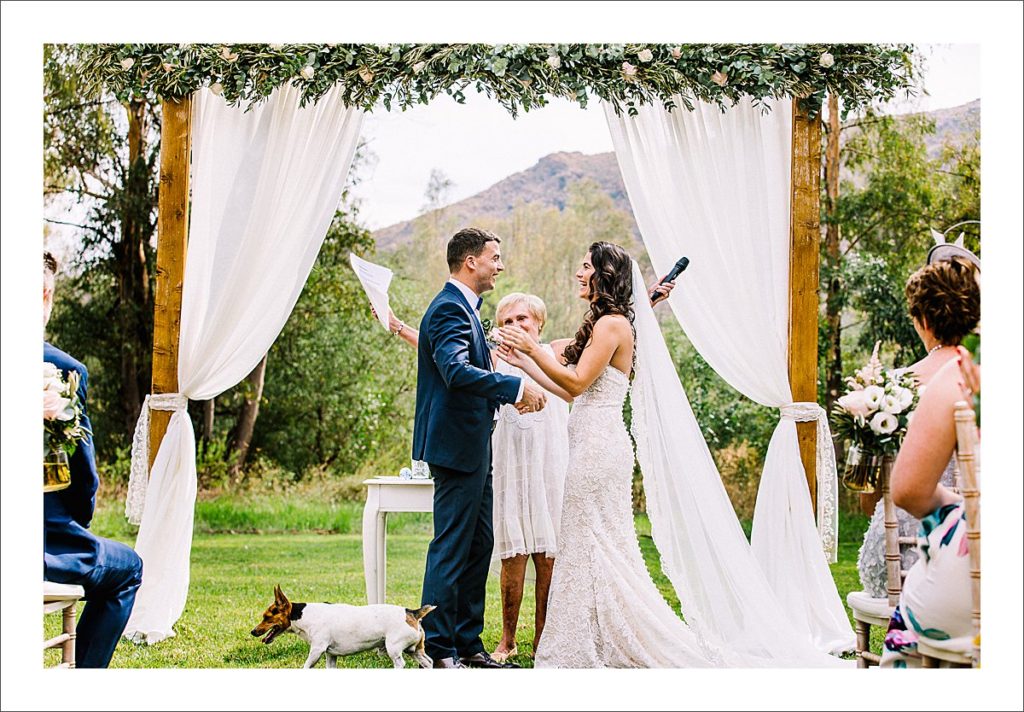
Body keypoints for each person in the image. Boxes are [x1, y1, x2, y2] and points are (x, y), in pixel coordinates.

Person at [383, 285, 674, 662]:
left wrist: (646, 304)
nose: (514, 325)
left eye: (522, 318)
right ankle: (506, 639)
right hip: (509, 465)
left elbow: (605, 337)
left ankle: (543, 637)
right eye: (506, 320)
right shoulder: (492, 358)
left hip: (550, 463)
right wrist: (398, 326)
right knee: (510, 552)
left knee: (549, 553)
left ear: (538, 323)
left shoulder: (555, 351)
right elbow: (439, 352)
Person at [497, 242, 730, 667]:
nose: (578, 273)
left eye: (585, 267)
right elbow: (561, 376)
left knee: (592, 542)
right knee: (591, 543)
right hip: (589, 442)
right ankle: (596, 637)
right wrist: (522, 359)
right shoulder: (606, 323)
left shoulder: (612, 325)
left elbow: (575, 384)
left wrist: (531, 351)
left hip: (599, 447)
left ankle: (599, 640)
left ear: (603, 274)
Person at [413, 228, 547, 669]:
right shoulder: (449, 308)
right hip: (455, 446)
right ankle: (436, 648)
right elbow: (454, 371)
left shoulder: (466, 309)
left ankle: (468, 644)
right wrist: (512, 387)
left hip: (474, 445)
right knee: (451, 546)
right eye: (494, 258)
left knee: (478, 544)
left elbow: (469, 373)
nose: (500, 266)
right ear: (470, 261)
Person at [856, 252, 982, 598]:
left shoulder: (894, 387)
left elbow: (871, 501)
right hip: (980, 545)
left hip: (898, 558)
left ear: (923, 320)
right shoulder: (980, 378)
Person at [43, 251, 143, 668]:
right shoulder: (61, 371)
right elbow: (83, 479)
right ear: (45, 295)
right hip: (44, 543)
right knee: (128, 568)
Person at [879, 256, 980, 668]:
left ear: (921, 320)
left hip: (972, 580)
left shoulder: (957, 375)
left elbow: (907, 490)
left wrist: (958, 503)